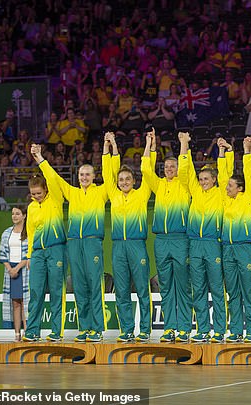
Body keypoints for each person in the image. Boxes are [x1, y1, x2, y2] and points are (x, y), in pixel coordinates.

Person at [31, 142, 109, 343]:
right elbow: (53, 178)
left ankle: (97, 329)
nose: (84, 178)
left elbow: (111, 173)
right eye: (81, 175)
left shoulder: (101, 192)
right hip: (73, 243)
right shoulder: (71, 192)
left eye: (88, 175)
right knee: (80, 286)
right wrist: (40, 158)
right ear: (78, 177)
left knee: (95, 284)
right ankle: (84, 328)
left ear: (94, 177)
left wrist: (107, 149)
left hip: (92, 242)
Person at [140, 129, 192, 343]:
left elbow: (186, 165)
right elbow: (145, 168)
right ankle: (170, 327)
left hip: (180, 239)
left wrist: (183, 143)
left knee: (182, 285)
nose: (170, 169)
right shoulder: (159, 185)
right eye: (167, 167)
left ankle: (184, 328)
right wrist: (150, 144)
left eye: (173, 166)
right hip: (161, 240)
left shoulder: (185, 184)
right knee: (166, 286)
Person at [102, 132, 153, 342]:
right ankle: (126, 330)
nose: (123, 182)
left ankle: (145, 330)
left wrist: (149, 143)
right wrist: (110, 145)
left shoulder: (142, 194)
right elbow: (107, 172)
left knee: (142, 289)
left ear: (134, 181)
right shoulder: (113, 195)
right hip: (119, 248)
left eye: (127, 179)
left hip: (137, 246)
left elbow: (147, 169)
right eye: (121, 179)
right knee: (121, 291)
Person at [178, 132, 227, 343]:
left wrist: (223, 151)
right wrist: (184, 145)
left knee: (216, 288)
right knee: (197, 288)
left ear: (214, 180)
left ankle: (219, 330)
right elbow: (184, 171)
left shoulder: (221, 192)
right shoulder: (195, 191)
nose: (203, 182)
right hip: (195, 245)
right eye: (201, 179)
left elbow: (225, 172)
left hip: (212, 243)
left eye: (206, 179)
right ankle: (202, 329)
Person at [220, 137, 251, 343]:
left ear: (241, 188)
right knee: (233, 292)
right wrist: (225, 151)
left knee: (247, 290)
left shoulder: (248, 197)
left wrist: (246, 150)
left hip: (245, 248)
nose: (227, 188)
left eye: (231, 185)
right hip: (228, 249)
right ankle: (235, 330)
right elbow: (223, 174)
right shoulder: (226, 200)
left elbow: (247, 174)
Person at [23, 173, 67, 342]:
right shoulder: (31, 207)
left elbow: (55, 179)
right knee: (35, 292)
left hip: (56, 249)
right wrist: (29, 256)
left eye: (38, 193)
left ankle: (56, 331)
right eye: (33, 194)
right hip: (37, 254)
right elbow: (31, 232)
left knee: (56, 291)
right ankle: (33, 331)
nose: (35, 196)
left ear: (46, 190)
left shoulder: (55, 199)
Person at [0, 206, 29, 342]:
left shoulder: (29, 232)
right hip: (10, 271)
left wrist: (17, 268)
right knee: (15, 303)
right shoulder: (6, 233)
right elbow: (2, 253)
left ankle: (27, 332)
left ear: (24, 216)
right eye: (13, 214)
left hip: (24, 270)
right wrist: (9, 268)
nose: (14, 216)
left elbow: (29, 253)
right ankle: (17, 334)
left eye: (17, 214)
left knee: (25, 302)